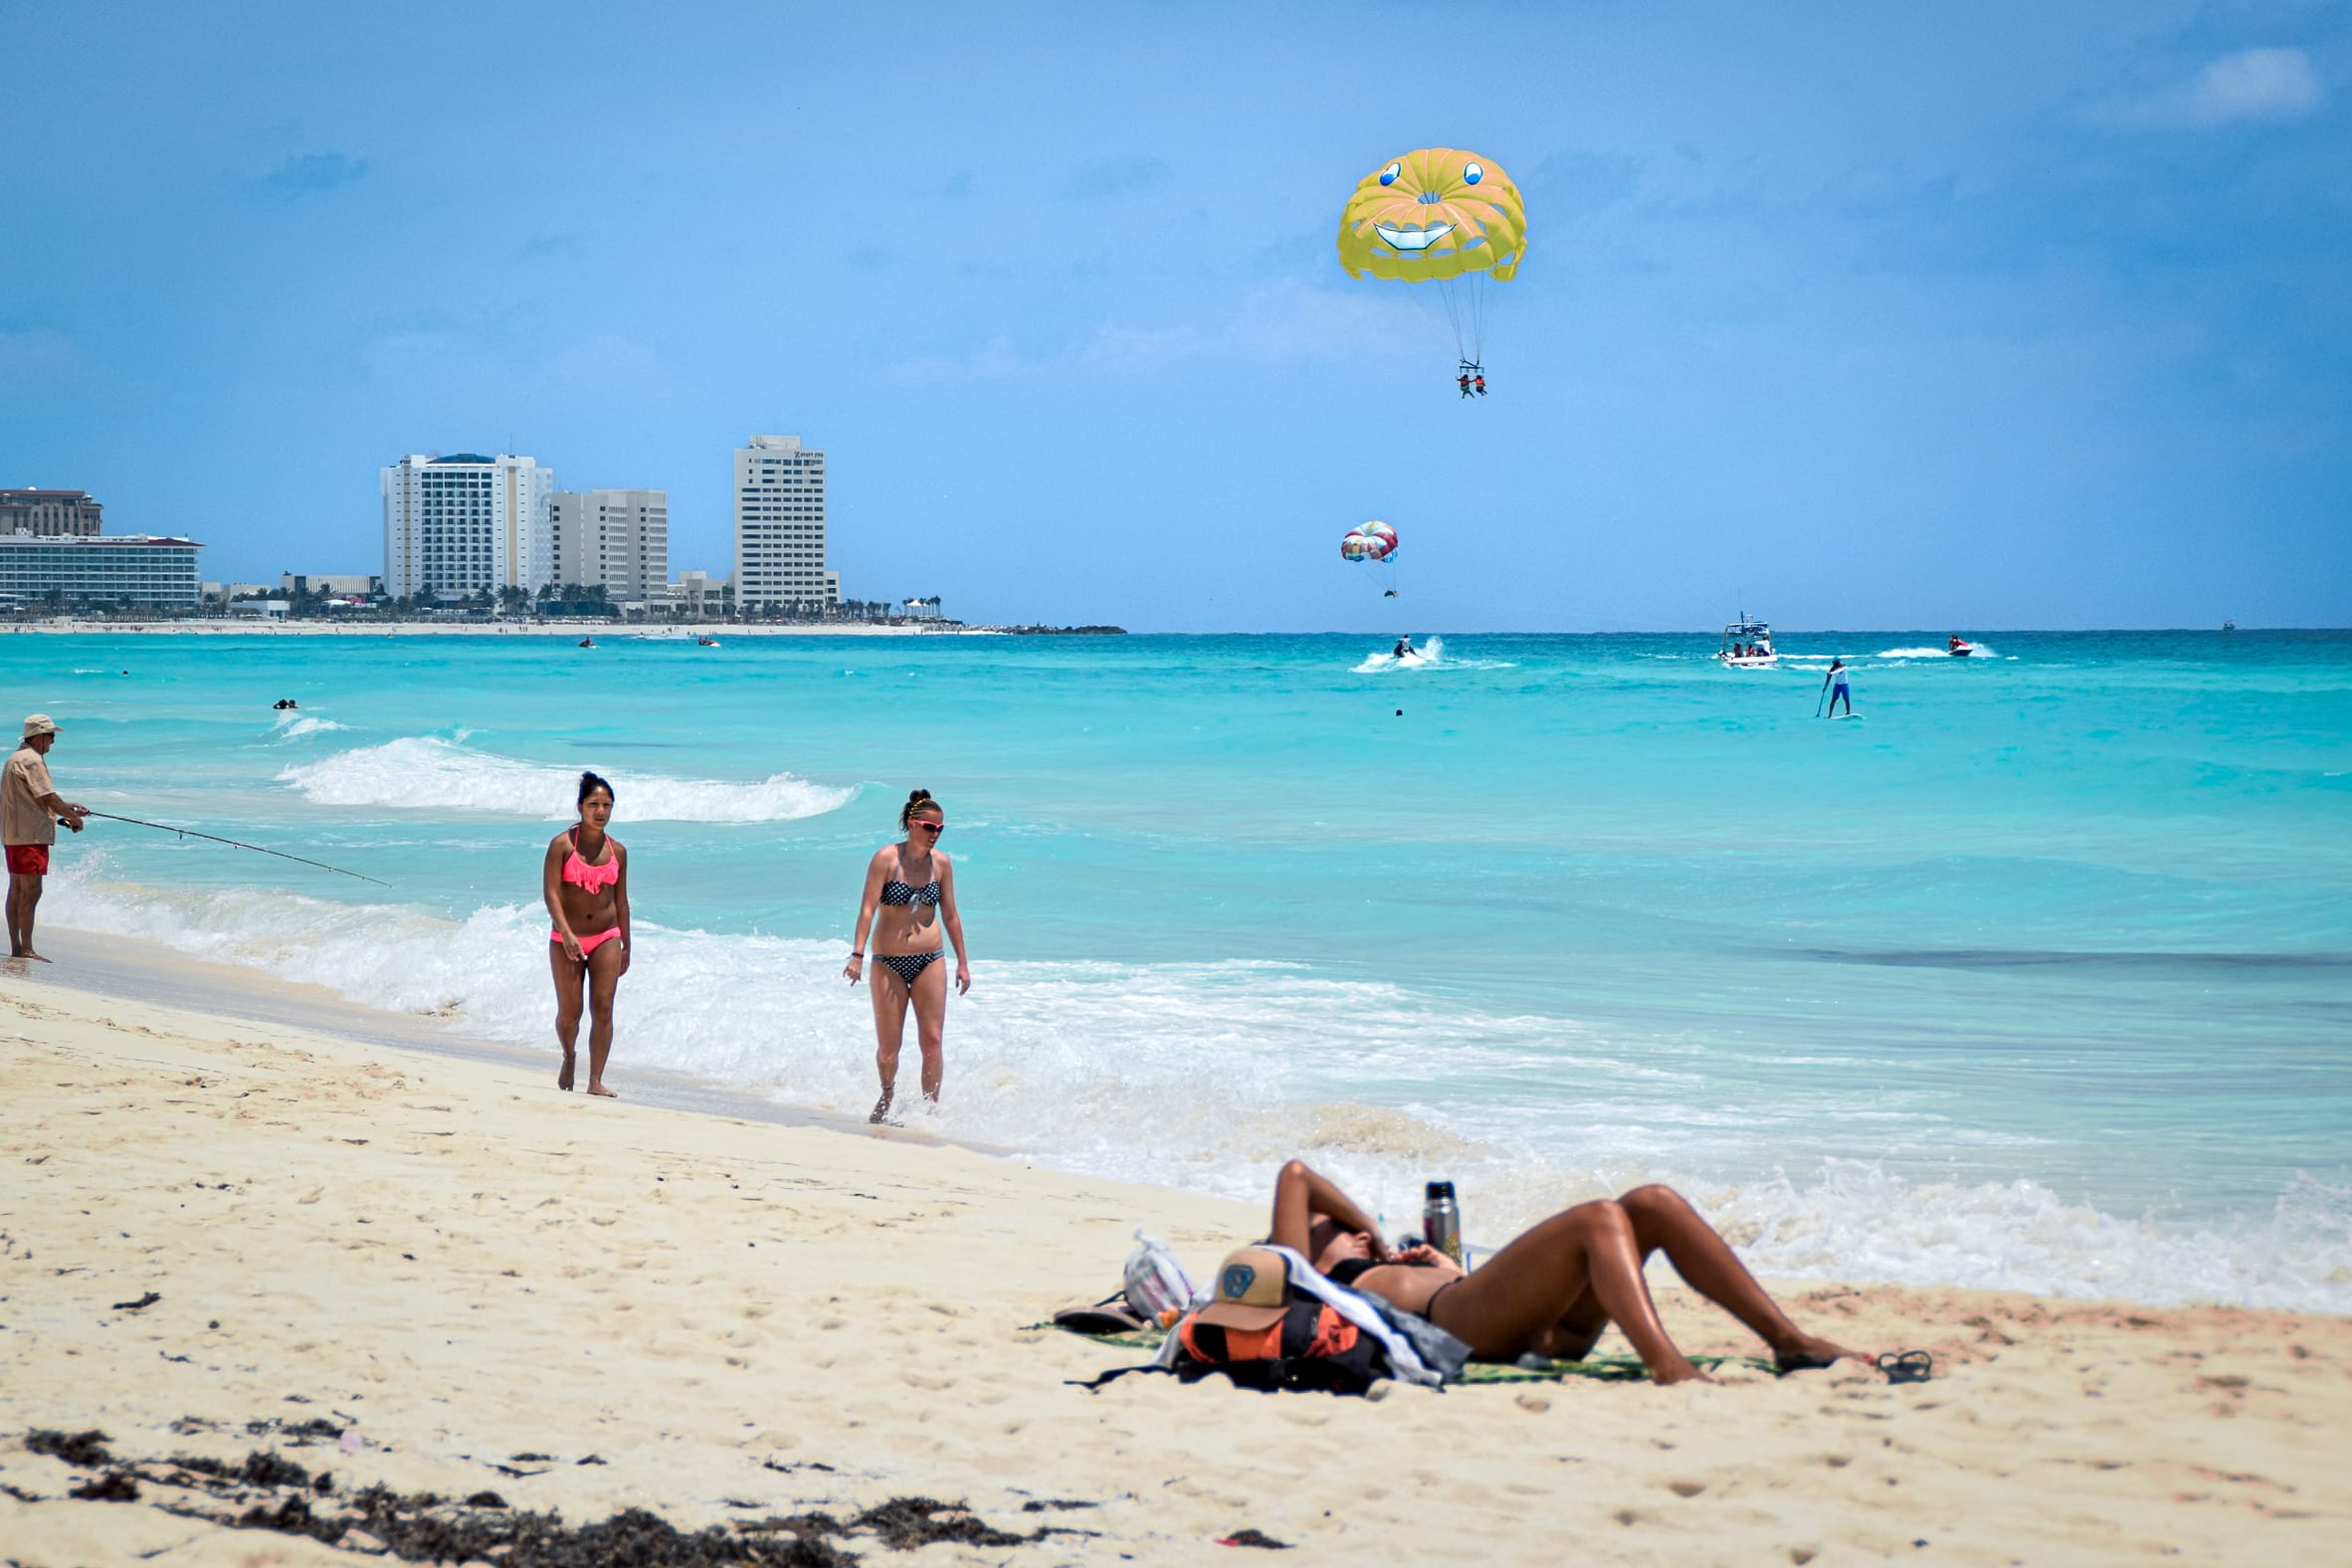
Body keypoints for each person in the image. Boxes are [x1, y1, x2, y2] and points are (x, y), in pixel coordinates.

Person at [1265, 1160, 1867, 1386]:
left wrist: (1439, 1263)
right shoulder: (1306, 1281)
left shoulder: (1394, 1265)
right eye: (1328, 1227)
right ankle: (1668, 1365)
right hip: (1455, 1322)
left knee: (1652, 1202)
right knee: (1597, 1218)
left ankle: (1788, 1341)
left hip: (1530, 1324)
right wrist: (1363, 1227)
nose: (1346, 1229)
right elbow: (1297, 1175)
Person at [844, 789, 971, 1123]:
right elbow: (867, 910)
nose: (936, 835)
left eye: (941, 829)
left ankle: (930, 1111)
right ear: (912, 824)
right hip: (889, 962)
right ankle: (887, 1094)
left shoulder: (941, 864)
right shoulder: (886, 859)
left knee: (932, 1041)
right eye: (930, 828)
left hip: (931, 959)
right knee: (889, 1050)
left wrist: (963, 962)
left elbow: (951, 915)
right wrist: (857, 954)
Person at [541, 771, 630, 1096]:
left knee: (603, 1007)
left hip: (607, 935)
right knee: (570, 1013)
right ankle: (568, 1055)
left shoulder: (618, 851)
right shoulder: (561, 845)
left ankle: (595, 1081)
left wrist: (626, 946)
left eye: (607, 805)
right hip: (567, 937)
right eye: (594, 804)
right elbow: (551, 894)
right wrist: (566, 934)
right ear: (580, 807)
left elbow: (621, 900)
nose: (601, 812)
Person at [4, 715, 88, 963]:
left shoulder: (15, 758)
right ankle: (27, 949)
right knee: (31, 892)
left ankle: (17, 947)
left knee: (17, 891)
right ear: (40, 736)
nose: (53, 742)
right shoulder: (32, 760)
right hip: (30, 836)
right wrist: (75, 818)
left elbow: (37, 800)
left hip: (14, 834)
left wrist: (69, 808)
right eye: (52, 737)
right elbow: (49, 799)